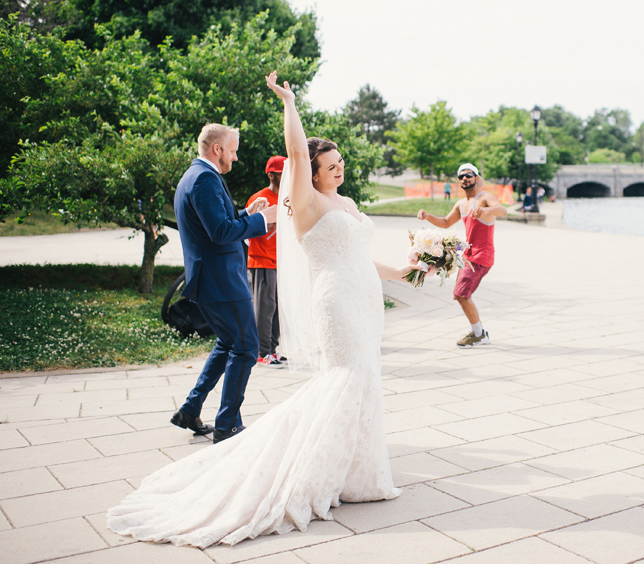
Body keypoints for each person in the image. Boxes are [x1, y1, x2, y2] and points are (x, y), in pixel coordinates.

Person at [107, 71, 423, 548]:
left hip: (364, 300)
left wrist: (403, 271)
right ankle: (304, 465)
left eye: (341, 162)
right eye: (330, 164)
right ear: (310, 172)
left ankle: (358, 473)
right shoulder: (308, 202)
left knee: (365, 379)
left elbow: (359, 256)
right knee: (346, 378)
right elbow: (296, 151)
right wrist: (289, 103)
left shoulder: (348, 201)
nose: (339, 168)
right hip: (336, 303)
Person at [168, 124, 277, 444]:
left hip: (212, 279)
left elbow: (215, 225)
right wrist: (262, 221)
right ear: (217, 149)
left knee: (229, 343)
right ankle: (227, 424)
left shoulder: (194, 175)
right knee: (246, 348)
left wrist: (246, 213)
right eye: (233, 150)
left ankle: (190, 409)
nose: (236, 157)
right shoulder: (204, 178)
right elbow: (219, 233)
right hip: (222, 280)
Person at [418, 163, 507, 347]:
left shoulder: (485, 198)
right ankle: (479, 333)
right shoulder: (461, 204)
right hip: (469, 256)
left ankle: (479, 334)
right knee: (461, 294)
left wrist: (487, 210)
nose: (464, 179)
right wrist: (428, 216)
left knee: (461, 294)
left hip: (482, 256)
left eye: (468, 175)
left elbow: (502, 210)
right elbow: (445, 222)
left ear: (476, 178)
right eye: (461, 176)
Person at [246, 155, 286, 368]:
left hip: (282, 262)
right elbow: (247, 228)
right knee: (265, 307)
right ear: (272, 174)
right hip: (262, 260)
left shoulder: (288, 198)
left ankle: (273, 349)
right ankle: (262, 352)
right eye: (282, 173)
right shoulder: (259, 198)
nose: (286, 176)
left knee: (278, 308)